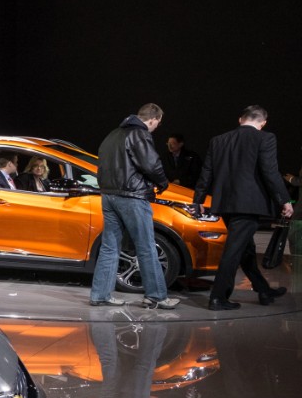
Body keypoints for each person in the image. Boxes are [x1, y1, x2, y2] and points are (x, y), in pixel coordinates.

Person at [192, 105, 293, 309]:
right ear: (263, 123)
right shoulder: (265, 138)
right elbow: (270, 172)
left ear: (240, 119)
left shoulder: (218, 140)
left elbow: (207, 172)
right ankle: (218, 297)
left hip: (225, 203)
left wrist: (199, 199)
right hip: (249, 205)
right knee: (234, 250)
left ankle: (263, 290)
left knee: (245, 249)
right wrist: (284, 200)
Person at [89, 103, 178, 309]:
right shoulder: (139, 134)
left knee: (110, 247)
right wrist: (163, 183)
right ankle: (156, 296)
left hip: (109, 196)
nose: (156, 127)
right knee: (146, 246)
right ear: (153, 119)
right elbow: (151, 164)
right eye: (158, 123)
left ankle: (100, 295)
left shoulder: (112, 135)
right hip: (133, 196)